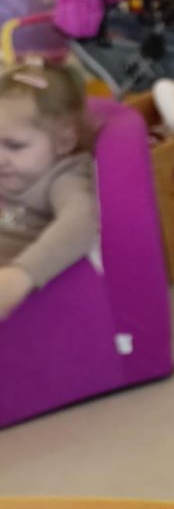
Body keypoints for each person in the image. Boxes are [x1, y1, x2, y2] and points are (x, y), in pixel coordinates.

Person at [0, 60, 98, 320]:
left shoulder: (64, 178)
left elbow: (82, 220)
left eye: (14, 145)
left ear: (64, 141)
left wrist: (21, 275)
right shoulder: (14, 169)